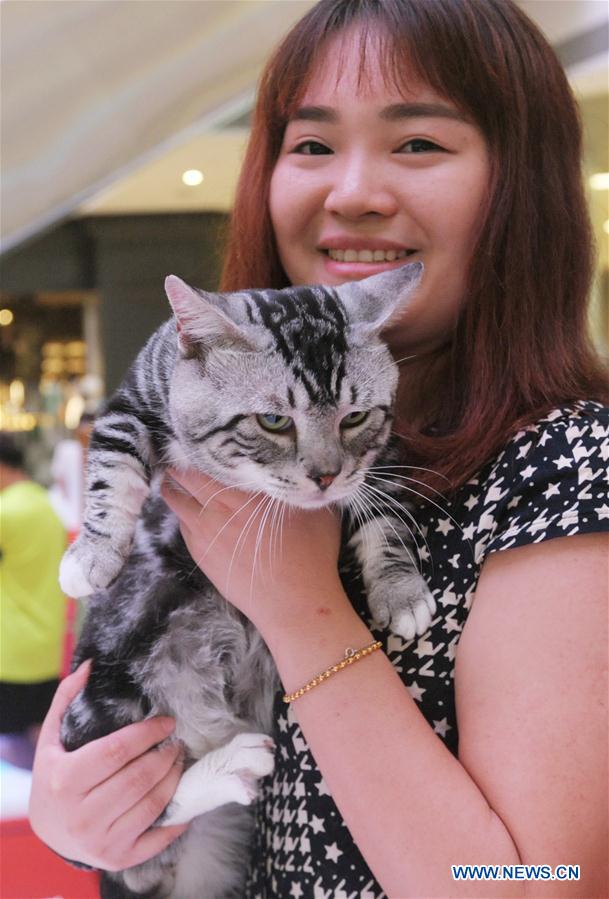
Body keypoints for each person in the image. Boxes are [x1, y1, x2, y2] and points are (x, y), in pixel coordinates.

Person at [29, 0, 608, 895]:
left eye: (418, 143)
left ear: (518, 181)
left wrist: (303, 613)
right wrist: (80, 817)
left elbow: (539, 879)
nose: (352, 190)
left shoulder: (567, 467)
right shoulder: (214, 426)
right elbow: (126, 706)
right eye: (311, 145)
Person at [0, 433, 67, 769]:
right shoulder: (47, 506)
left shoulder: (5, 512)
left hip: (8, 655)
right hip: (45, 653)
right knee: (38, 754)